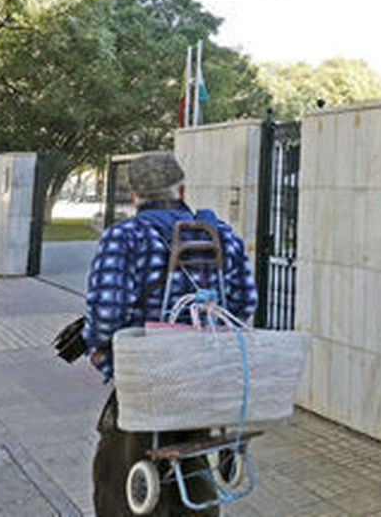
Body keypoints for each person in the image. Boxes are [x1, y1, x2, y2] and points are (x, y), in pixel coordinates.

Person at [82, 152, 257, 516]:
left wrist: (97, 346)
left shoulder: (123, 237)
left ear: (133, 196)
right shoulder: (221, 234)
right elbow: (244, 302)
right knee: (191, 465)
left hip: (143, 380)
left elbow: (106, 314)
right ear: (181, 189)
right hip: (201, 378)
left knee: (122, 476)